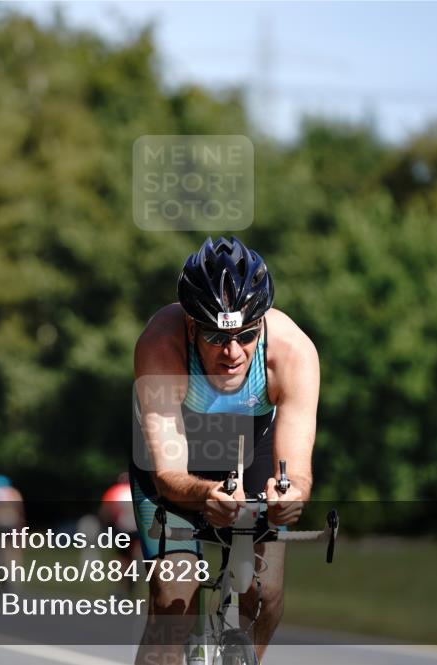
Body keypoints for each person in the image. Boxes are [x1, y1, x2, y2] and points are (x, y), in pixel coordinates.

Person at [130, 237, 319, 663]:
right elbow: (168, 474)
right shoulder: (161, 346)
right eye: (216, 336)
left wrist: (290, 497)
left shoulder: (293, 353)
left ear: (262, 323)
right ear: (191, 326)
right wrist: (205, 495)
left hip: (252, 447)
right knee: (174, 599)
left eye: (246, 335)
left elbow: (295, 471)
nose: (232, 352)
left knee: (265, 593)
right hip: (174, 456)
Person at [100, 472, 141, 596]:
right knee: (135, 556)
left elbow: (106, 511)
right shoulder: (139, 492)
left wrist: (106, 525)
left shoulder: (115, 491)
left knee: (122, 558)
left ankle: (121, 586)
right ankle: (133, 581)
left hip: (122, 528)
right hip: (137, 529)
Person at [0, 474, 26, 588]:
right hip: (12, 520)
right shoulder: (13, 492)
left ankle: (1, 568)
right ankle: (14, 573)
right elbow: (19, 507)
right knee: (13, 548)